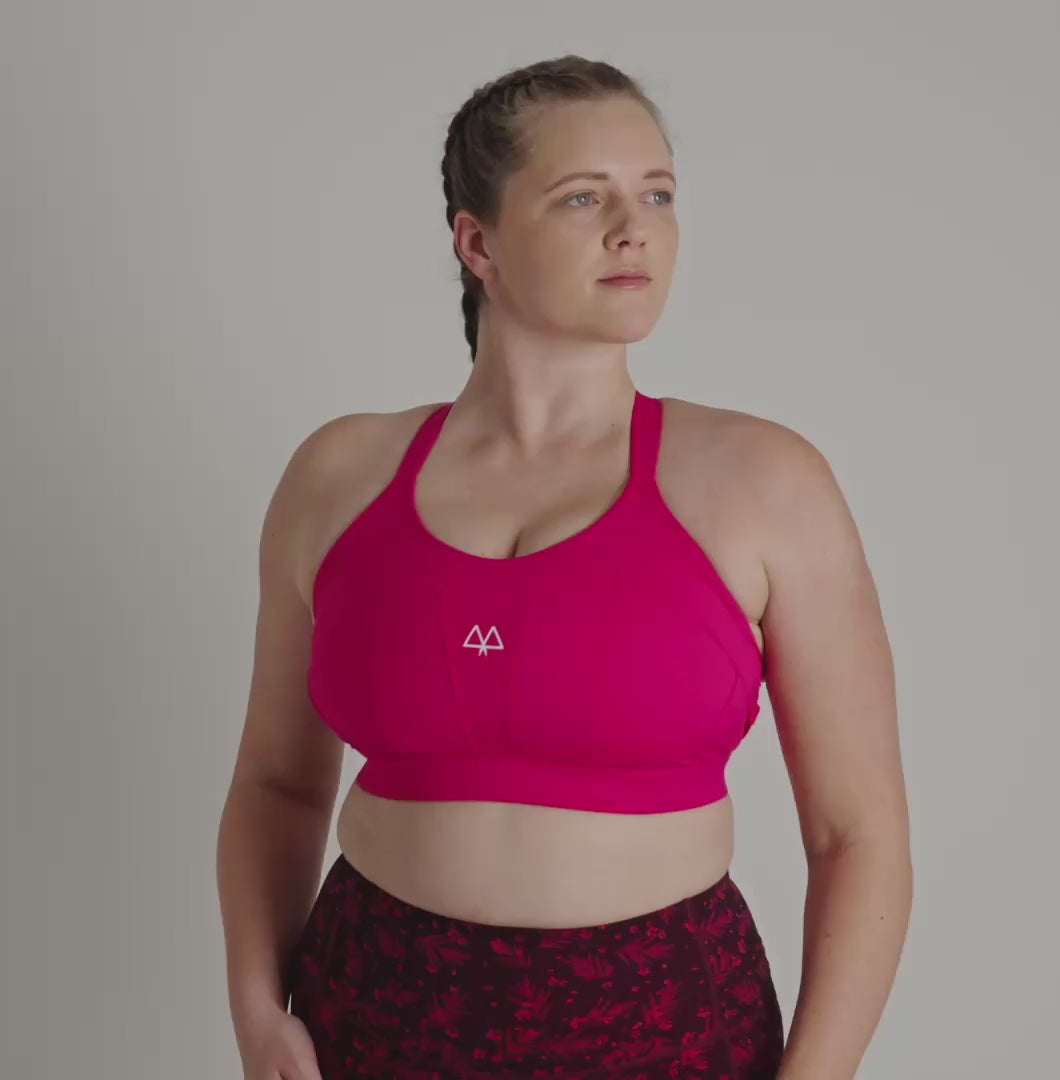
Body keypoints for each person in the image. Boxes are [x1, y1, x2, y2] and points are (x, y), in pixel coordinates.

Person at [217, 55, 912, 1080]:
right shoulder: (338, 476)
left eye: (658, 194)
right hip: (369, 1021)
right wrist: (253, 1010)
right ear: (477, 241)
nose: (635, 227)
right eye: (584, 196)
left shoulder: (766, 482)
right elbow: (277, 784)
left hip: (671, 1033)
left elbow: (859, 836)